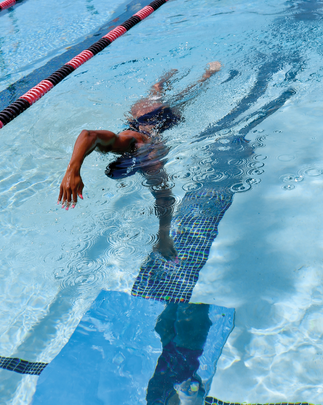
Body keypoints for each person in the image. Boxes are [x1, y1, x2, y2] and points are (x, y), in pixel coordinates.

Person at [58, 62, 222, 260]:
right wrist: (163, 238)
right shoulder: (150, 165)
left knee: (184, 96)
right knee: (176, 98)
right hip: (156, 121)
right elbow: (164, 199)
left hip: (147, 115)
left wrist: (73, 170)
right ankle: (169, 83)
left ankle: (202, 76)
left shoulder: (131, 142)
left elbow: (88, 135)